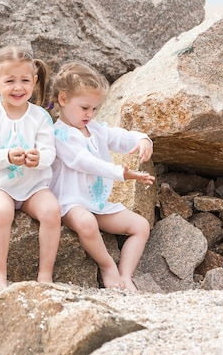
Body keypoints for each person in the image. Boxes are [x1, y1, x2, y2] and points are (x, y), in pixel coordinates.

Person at [49, 61, 154, 291]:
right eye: (85, 107)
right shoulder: (58, 134)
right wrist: (120, 173)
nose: (90, 114)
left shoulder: (94, 128)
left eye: (95, 108)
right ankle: (108, 267)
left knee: (140, 225)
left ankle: (126, 275)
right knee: (86, 223)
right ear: (63, 99)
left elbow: (118, 136)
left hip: (97, 203)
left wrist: (142, 139)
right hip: (70, 201)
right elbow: (83, 162)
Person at [0, 46, 61, 290]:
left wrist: (38, 158)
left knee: (52, 212)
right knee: (2, 213)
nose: (18, 87)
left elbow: (49, 151)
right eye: (9, 80)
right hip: (0, 185)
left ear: (34, 81)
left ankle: (45, 275)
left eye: (24, 80)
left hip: (32, 185)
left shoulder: (40, 117)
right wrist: (7, 156)